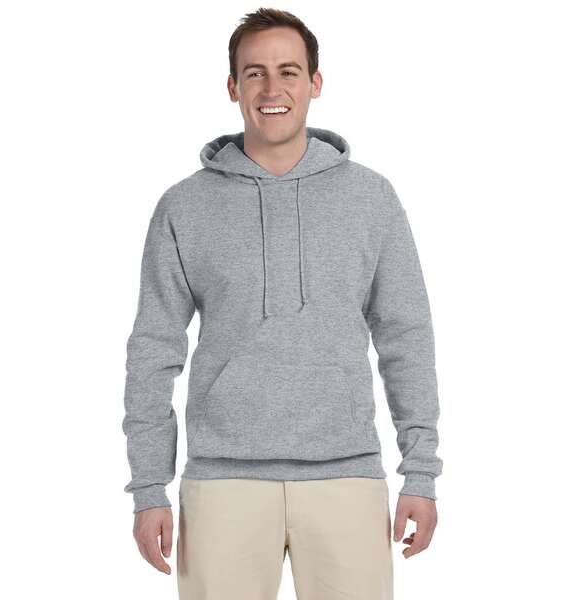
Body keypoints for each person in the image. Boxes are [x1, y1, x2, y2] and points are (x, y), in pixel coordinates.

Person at [122, 7, 443, 599]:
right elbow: (153, 349)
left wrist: (419, 472)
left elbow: (406, 338)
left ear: (315, 83)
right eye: (255, 73)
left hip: (347, 475)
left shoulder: (371, 199)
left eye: (289, 71)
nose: (273, 89)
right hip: (222, 483)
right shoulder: (184, 206)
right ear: (232, 86)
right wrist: (148, 489)